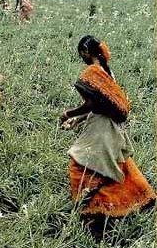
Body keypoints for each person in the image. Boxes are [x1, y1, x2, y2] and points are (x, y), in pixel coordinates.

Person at [60, 35, 156, 235]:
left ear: (86, 52)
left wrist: (68, 114)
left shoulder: (92, 72)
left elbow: (91, 104)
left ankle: (91, 213)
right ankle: (136, 198)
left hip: (100, 129)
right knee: (116, 165)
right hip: (111, 127)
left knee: (82, 165)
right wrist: (78, 121)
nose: (82, 57)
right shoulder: (108, 72)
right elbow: (100, 105)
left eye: (82, 53)